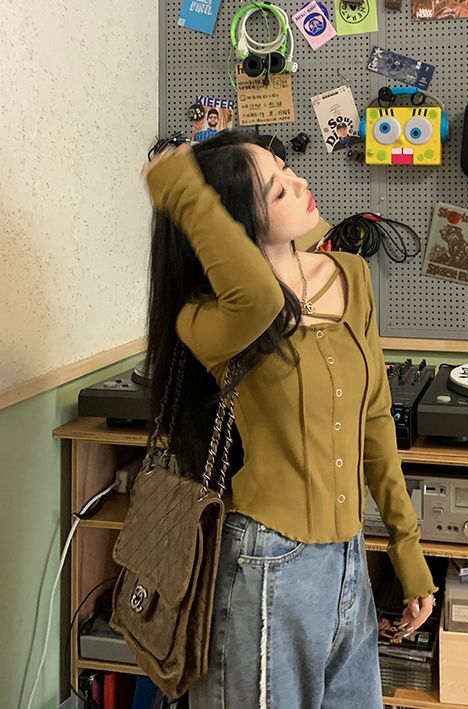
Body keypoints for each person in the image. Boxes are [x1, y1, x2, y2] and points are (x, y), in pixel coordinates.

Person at [143, 131, 437, 708]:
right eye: (278, 190)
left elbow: (375, 418)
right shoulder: (205, 318)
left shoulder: (350, 275)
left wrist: (407, 549)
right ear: (235, 222)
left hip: (350, 560)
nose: (301, 184)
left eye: (286, 168)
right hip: (263, 566)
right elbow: (261, 298)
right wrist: (180, 191)